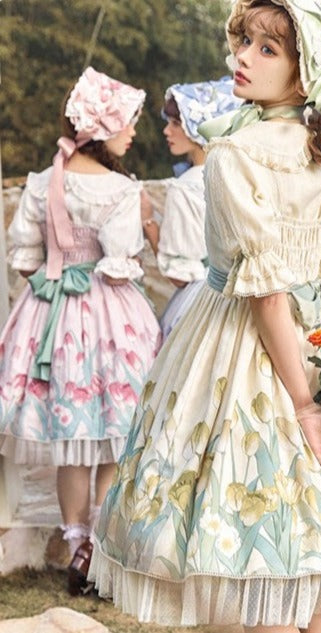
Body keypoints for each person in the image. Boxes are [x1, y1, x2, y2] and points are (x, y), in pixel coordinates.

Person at [89, 1, 321, 631]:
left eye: (267, 49)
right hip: (320, 343)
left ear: (306, 73)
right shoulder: (316, 150)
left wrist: (307, 404)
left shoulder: (233, 153)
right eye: (244, 41)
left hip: (244, 355)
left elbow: (269, 294)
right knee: (317, 573)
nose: (241, 57)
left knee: (260, 575)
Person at [0, 67, 161, 595]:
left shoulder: (45, 180)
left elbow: (25, 254)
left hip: (51, 313)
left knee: (72, 440)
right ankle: (101, 549)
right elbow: (120, 260)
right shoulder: (120, 189)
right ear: (103, 127)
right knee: (113, 435)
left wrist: (56, 274)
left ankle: (77, 546)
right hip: (109, 317)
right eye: (126, 123)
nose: (132, 132)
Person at [142, 77, 242, 340]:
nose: (167, 131)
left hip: (201, 301)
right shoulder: (239, 178)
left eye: (176, 123)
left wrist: (149, 225)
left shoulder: (186, 188)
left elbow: (179, 275)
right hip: (241, 299)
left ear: (201, 127)